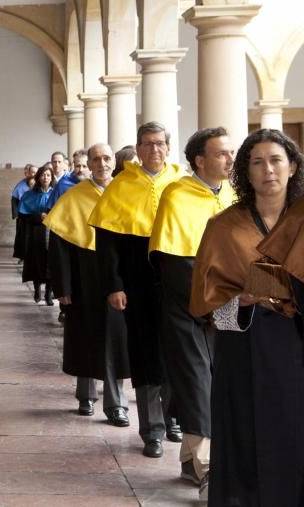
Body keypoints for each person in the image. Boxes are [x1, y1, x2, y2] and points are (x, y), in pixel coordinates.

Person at [191, 129, 304, 505]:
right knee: (245, 435)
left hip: (298, 345)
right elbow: (206, 306)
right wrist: (241, 300)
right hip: (245, 347)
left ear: (292, 167)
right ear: (245, 171)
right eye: (257, 162)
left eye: (276, 160)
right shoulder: (223, 227)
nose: (268, 170)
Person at [89, 122, 185, 459]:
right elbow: (108, 243)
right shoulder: (121, 186)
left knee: (178, 350)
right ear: (138, 148)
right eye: (147, 144)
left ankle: (175, 417)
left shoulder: (180, 184)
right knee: (146, 353)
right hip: (137, 283)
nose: (154, 150)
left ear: (168, 148)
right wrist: (114, 284)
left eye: (159, 143)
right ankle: (152, 430)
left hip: (177, 283)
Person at [148, 127, 235, 491]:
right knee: (197, 382)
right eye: (221, 154)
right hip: (186, 306)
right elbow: (172, 261)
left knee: (220, 383)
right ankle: (209, 470)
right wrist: (209, 303)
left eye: (231, 153)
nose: (230, 160)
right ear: (199, 160)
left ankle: (189, 461)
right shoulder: (177, 194)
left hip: (229, 306)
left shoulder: (231, 195)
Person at [45, 144, 131, 426]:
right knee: (84, 334)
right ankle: (85, 395)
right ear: (87, 164)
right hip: (83, 277)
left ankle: (116, 403)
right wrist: (63, 288)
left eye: (107, 158)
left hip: (118, 277)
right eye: (96, 159)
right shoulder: (74, 197)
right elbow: (59, 248)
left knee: (116, 340)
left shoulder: (125, 194)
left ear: (114, 162)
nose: (102, 163)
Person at [19, 163, 55, 304]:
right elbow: (23, 215)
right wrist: (38, 216)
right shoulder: (30, 194)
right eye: (43, 175)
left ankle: (48, 293)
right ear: (38, 177)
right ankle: (37, 290)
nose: (45, 178)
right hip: (36, 232)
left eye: (48, 175)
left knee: (51, 261)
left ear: (51, 178)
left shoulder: (56, 193)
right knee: (36, 261)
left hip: (52, 232)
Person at [11, 164, 37, 263]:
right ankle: (23, 257)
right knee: (22, 237)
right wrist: (15, 213)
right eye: (32, 172)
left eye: (36, 172)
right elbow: (14, 199)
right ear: (28, 173)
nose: (33, 174)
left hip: (35, 216)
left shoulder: (40, 184)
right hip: (22, 216)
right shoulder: (20, 185)